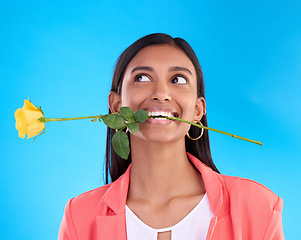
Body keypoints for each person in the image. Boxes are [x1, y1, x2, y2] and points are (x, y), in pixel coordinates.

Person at [58, 33, 284, 240]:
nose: (161, 94)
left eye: (178, 80)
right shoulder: (79, 217)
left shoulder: (259, 208)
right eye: (142, 78)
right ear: (116, 105)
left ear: (198, 110)